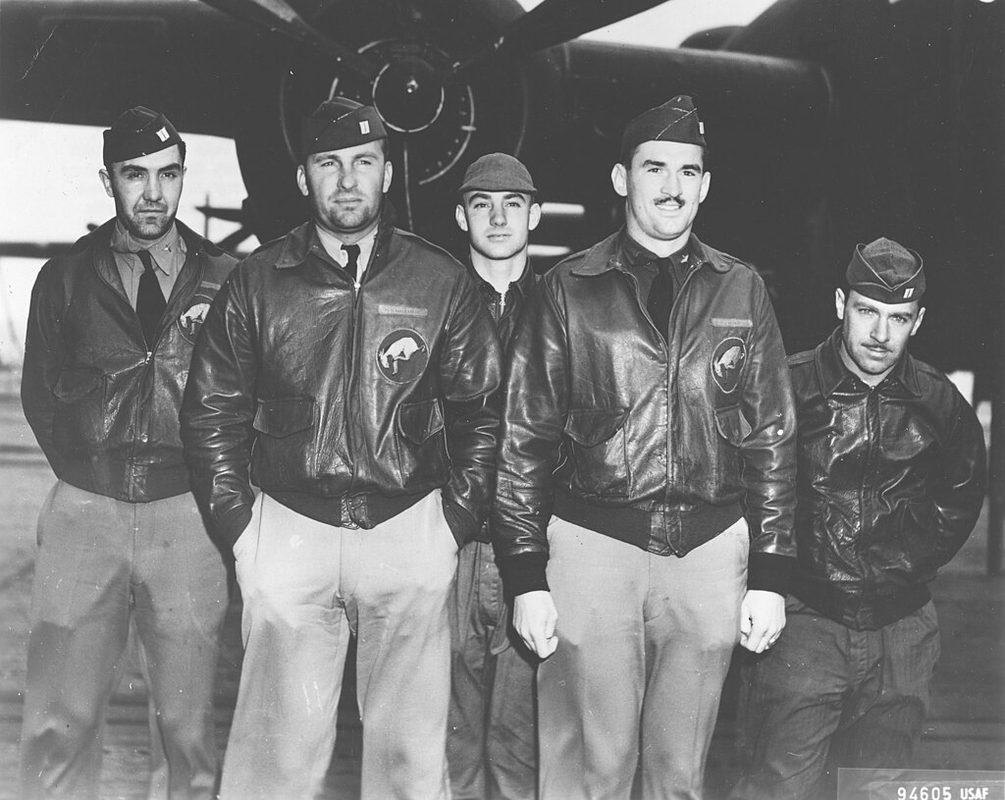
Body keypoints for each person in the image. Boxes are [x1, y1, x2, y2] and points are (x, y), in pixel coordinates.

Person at [180, 97, 502, 800]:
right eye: (329, 163)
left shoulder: (440, 280)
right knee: (275, 762)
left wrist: (450, 526)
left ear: (387, 171)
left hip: (407, 527)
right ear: (303, 178)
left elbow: (482, 413)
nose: (348, 179)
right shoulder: (257, 281)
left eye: (364, 161)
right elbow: (210, 413)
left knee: (410, 762)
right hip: (289, 529)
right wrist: (243, 532)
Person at [491, 94, 798, 799]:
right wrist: (525, 574)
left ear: (705, 185)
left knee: (679, 772)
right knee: (585, 770)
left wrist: (771, 574)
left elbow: (773, 439)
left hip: (708, 552)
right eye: (653, 167)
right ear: (620, 179)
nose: (671, 186)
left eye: (687, 171)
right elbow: (522, 439)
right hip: (592, 547)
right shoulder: (566, 289)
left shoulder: (741, 290)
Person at [19, 106, 235, 799]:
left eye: (168, 175)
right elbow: (40, 395)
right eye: (135, 175)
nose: (153, 193)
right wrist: (91, 477)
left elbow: (246, 401)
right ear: (107, 180)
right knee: (60, 719)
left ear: (183, 178)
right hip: (86, 510)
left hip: (188, 517)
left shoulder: (227, 279)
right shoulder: (64, 279)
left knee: (187, 728)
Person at [731, 237, 987, 800]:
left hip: (902, 626)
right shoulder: (788, 387)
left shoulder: (940, 403)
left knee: (878, 788)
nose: (880, 333)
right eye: (868, 311)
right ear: (840, 304)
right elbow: (746, 490)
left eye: (899, 317)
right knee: (778, 785)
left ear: (919, 321)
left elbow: (962, 494)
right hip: (804, 620)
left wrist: (899, 563)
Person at [448, 152, 542, 800]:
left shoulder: (564, 304)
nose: (499, 217)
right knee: (446, 737)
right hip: (450, 544)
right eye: (482, 204)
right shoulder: (436, 302)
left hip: (532, 551)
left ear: (535, 214)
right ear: (461, 217)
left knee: (521, 742)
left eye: (513, 204)